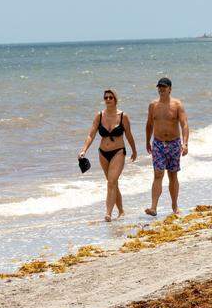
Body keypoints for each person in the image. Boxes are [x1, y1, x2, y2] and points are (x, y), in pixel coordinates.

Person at [79, 89, 137, 222]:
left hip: (118, 152)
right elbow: (91, 134)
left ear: (115, 99)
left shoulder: (123, 116)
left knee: (111, 182)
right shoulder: (99, 115)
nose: (108, 100)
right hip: (103, 153)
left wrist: (134, 150)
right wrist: (84, 150)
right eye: (106, 98)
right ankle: (121, 211)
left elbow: (128, 135)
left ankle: (108, 213)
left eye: (111, 97)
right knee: (112, 183)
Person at [145, 77, 188, 217]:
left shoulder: (177, 104)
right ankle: (153, 207)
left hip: (174, 143)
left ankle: (174, 205)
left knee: (172, 175)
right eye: (159, 87)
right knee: (158, 174)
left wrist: (185, 143)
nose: (161, 89)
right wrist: (147, 141)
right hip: (157, 143)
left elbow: (184, 124)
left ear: (170, 89)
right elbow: (149, 124)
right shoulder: (153, 105)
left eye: (164, 87)